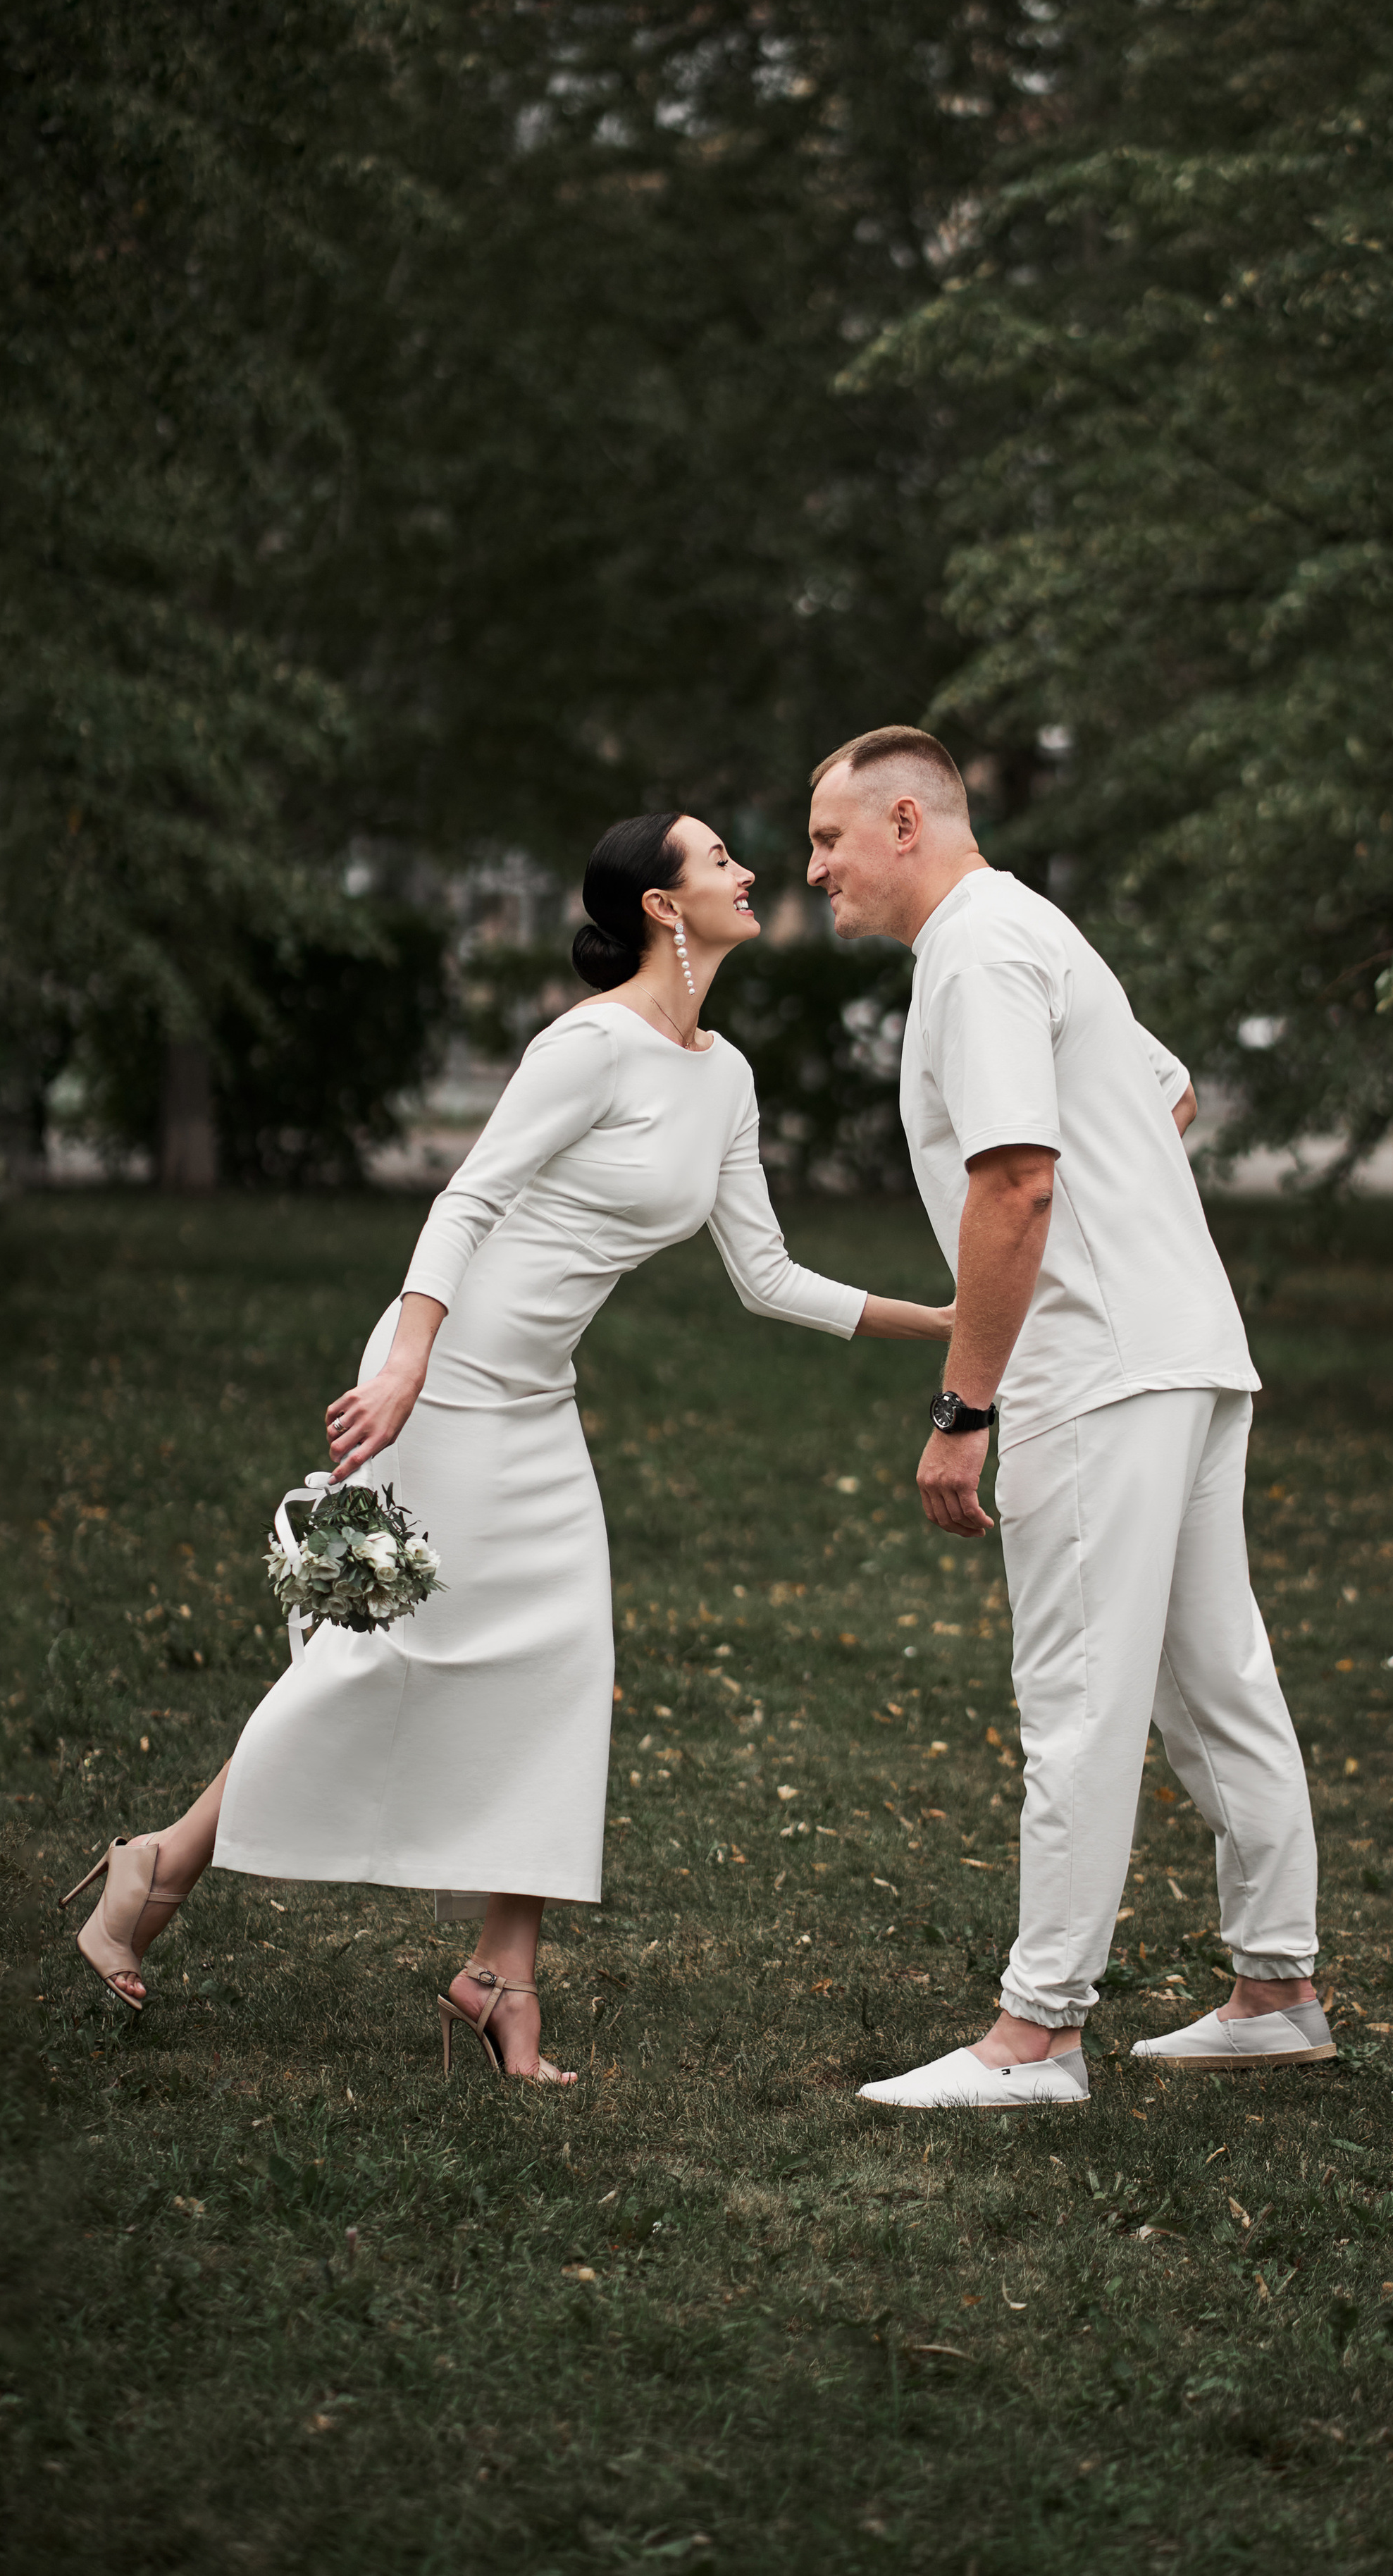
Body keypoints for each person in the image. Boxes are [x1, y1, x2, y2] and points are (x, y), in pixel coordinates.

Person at [61, 811, 951, 2080]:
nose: (751, 873)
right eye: (719, 860)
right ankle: (156, 1867)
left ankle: (497, 1982)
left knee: (560, 1669)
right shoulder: (587, 1045)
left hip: (534, 1397)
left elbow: (764, 1275)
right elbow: (466, 1197)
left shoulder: (727, 1075)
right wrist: (409, 1364)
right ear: (659, 902)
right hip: (445, 1372)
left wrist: (943, 1320)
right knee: (377, 1657)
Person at [803, 727, 1329, 2109]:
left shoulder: (973, 952)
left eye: (826, 841)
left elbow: (1018, 1183)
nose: (813, 872)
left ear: (903, 821)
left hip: (1095, 1372)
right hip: (1182, 1349)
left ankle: (1035, 2035)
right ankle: (1275, 1991)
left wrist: (963, 1403)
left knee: (1078, 1703)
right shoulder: (1026, 926)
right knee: (1213, 1682)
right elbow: (1166, 1091)